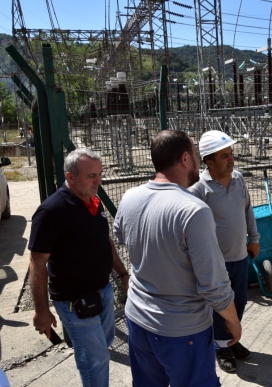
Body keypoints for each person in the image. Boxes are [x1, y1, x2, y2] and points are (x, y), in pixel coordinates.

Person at [113, 130, 241, 387]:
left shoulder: (130, 197)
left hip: (138, 319)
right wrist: (233, 320)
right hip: (182, 330)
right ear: (185, 159)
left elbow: (121, 235)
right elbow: (214, 284)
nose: (197, 160)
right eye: (195, 154)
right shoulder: (193, 211)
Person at [28, 148, 130, 387]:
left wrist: (123, 274)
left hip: (103, 292)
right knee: (95, 358)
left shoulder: (94, 202)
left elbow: (106, 241)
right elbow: (37, 264)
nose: (99, 181)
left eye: (100, 174)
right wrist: (41, 310)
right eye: (91, 175)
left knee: (102, 345)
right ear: (70, 177)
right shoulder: (51, 212)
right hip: (74, 301)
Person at [189, 130, 260, 373]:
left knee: (239, 302)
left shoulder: (239, 179)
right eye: (224, 156)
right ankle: (221, 347)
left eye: (231, 154)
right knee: (221, 307)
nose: (231, 160)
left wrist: (255, 238)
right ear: (209, 162)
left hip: (240, 256)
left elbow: (248, 210)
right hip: (216, 263)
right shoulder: (199, 189)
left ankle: (232, 340)